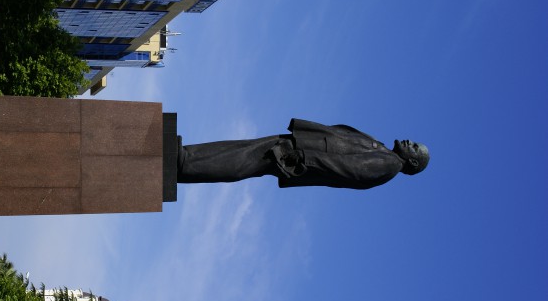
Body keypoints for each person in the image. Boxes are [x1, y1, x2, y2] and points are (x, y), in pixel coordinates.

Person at [177, 118, 429, 189]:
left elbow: (348, 169)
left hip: (300, 155)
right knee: (243, 150)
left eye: (415, 147)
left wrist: (306, 159)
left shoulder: (389, 164)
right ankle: (188, 157)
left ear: (413, 161)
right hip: (300, 148)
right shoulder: (384, 151)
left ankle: (186, 163)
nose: (411, 142)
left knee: (244, 160)